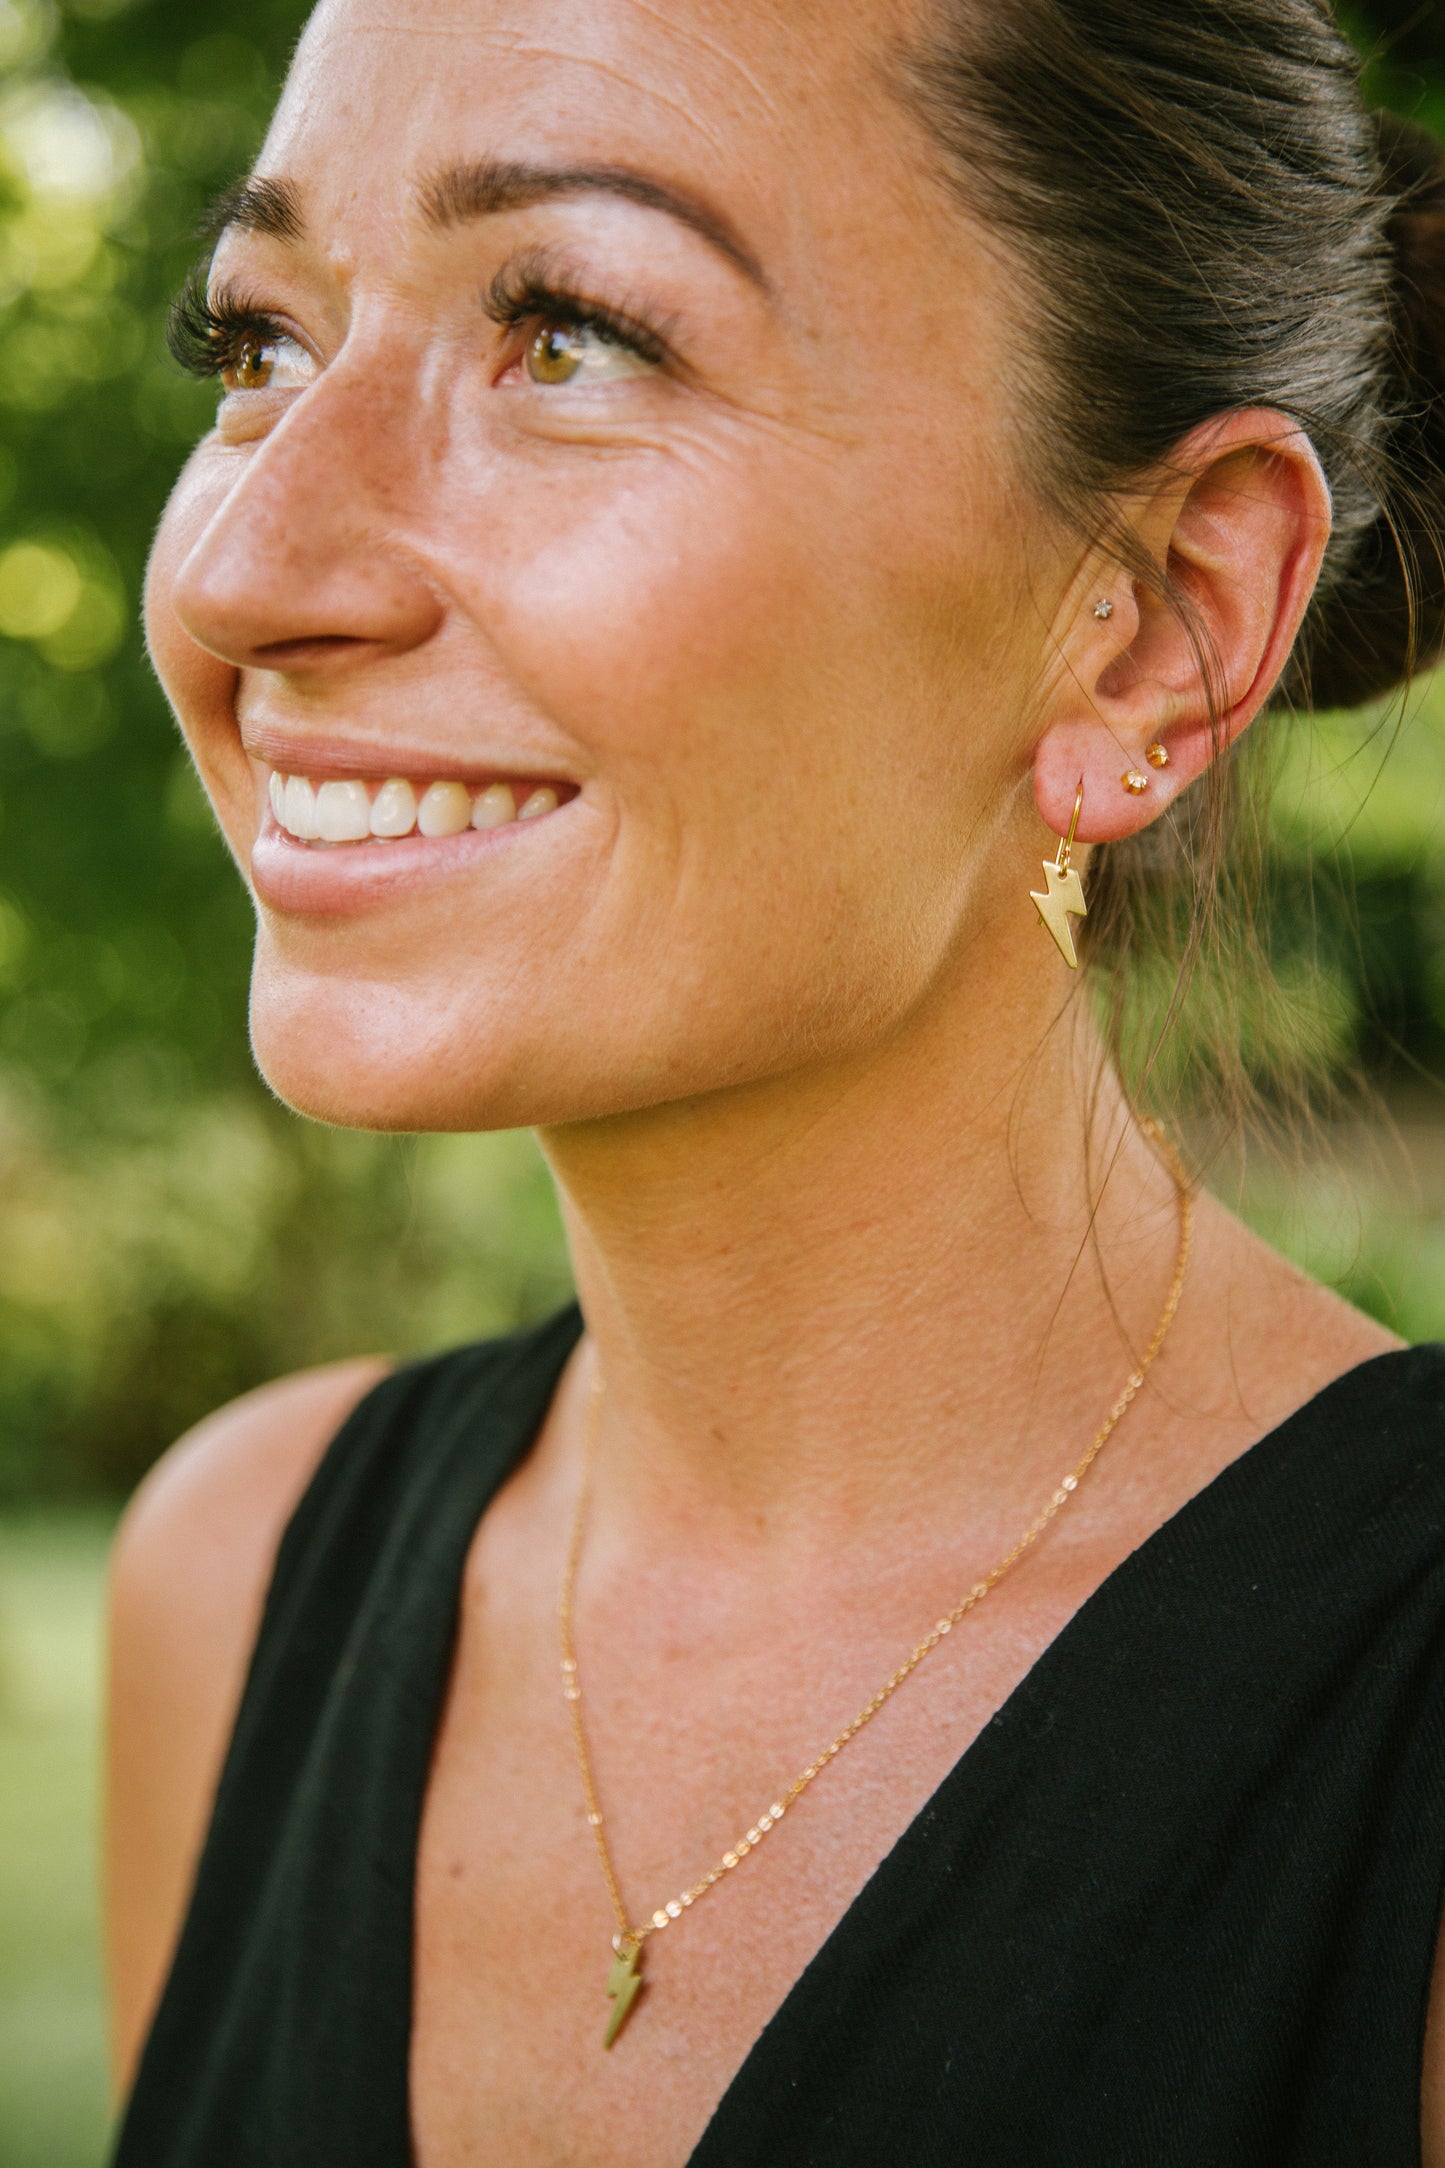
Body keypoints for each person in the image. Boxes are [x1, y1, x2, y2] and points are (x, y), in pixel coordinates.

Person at [104, 0, 1445, 2160]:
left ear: (1159, 621)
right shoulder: (242, 1586)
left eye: (569, 336)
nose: (250, 567)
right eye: (256, 340)